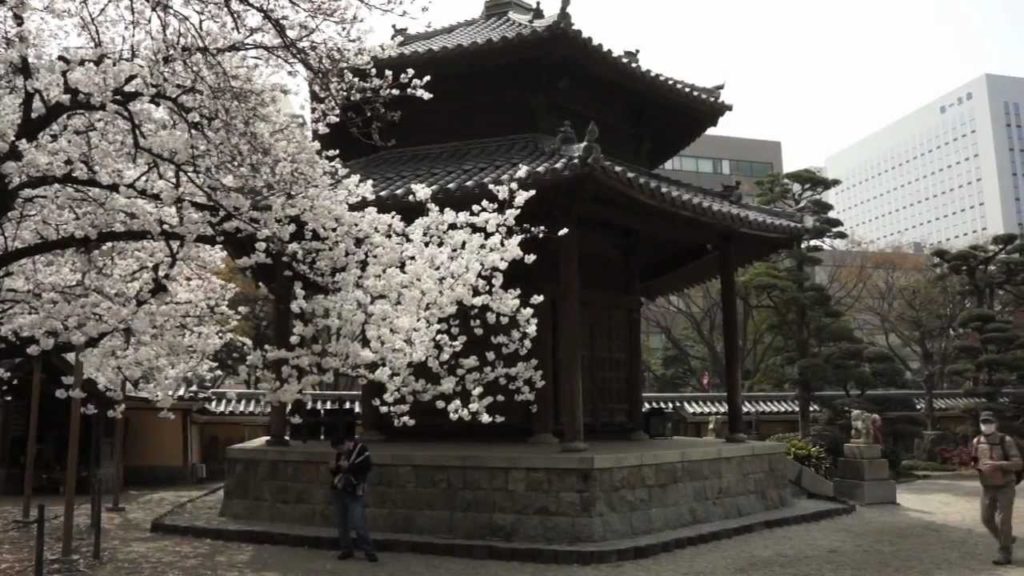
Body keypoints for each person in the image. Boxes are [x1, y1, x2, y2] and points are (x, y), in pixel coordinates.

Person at [971, 411, 1023, 566]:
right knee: (986, 519)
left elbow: (1018, 463)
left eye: (989, 422)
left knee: (1003, 520)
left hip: (1005, 485)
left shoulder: (1005, 440)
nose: (986, 426)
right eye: (983, 423)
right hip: (987, 485)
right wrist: (974, 464)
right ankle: (1006, 538)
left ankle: (1004, 552)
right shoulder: (977, 441)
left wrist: (998, 464)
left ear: (996, 424)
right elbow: (974, 458)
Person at [329, 429, 378, 562]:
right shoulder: (340, 454)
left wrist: (348, 467)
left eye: (341, 448)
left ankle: (369, 550)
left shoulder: (361, 449)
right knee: (342, 523)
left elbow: (366, 466)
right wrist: (335, 468)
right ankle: (346, 549)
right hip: (340, 488)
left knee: (358, 522)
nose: (340, 451)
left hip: (355, 490)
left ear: (346, 443)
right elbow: (338, 472)